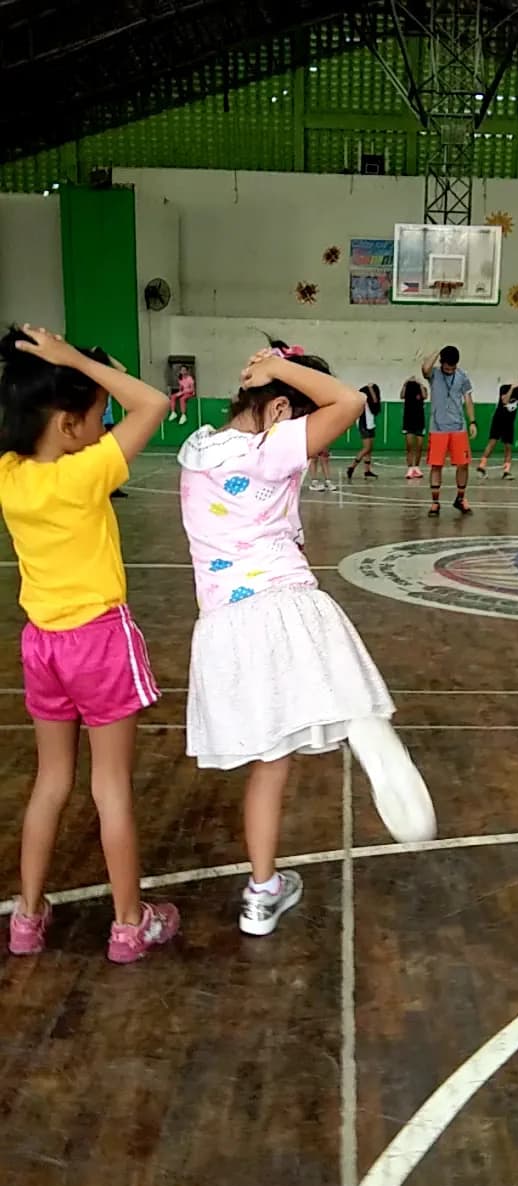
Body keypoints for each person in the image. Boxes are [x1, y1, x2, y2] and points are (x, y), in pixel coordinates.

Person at [178, 347, 436, 937]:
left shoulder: (197, 453)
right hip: (286, 604)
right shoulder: (268, 449)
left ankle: (261, 894)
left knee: (270, 764)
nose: (311, 442)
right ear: (276, 407)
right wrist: (282, 370)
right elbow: (349, 401)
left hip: (223, 626)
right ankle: (365, 726)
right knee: (348, 686)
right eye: (302, 425)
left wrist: (276, 375)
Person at [0, 325, 179, 963]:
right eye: (99, 419)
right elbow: (153, 403)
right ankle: (130, 924)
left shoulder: (10, 475)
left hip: (41, 645)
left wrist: (66, 367)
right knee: (111, 789)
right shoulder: (87, 472)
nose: (108, 429)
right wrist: (76, 356)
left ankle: (26, 917)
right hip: (99, 643)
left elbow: (120, 403)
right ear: (71, 425)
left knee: (51, 781)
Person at [422, 345, 476, 517]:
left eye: (453, 368)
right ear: (441, 362)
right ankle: (435, 503)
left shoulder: (462, 377)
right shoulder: (434, 375)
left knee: (463, 464)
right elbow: (424, 368)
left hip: (458, 428)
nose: (450, 370)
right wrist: (437, 350)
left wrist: (472, 421)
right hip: (438, 428)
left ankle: (460, 498)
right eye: (447, 367)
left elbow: (468, 399)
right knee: (436, 465)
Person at [477, 382, 518, 481]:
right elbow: (505, 401)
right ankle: (482, 466)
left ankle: (506, 472)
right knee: (492, 443)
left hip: (509, 423)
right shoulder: (504, 388)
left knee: (508, 447)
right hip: (498, 420)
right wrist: (512, 388)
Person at [101, 352, 127, 499]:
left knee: (112, 456)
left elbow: (122, 370)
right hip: (97, 424)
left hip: (108, 422)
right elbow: (122, 370)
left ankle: (113, 487)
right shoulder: (93, 378)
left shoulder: (107, 378)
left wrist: (108, 357)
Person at [346, 384, 381, 481]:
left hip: (370, 424)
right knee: (366, 448)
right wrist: (370, 388)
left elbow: (375, 401)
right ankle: (352, 467)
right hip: (364, 425)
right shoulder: (363, 399)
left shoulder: (369, 402)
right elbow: (374, 400)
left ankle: (367, 471)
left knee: (369, 449)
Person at [400, 375, 428, 479]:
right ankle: (410, 468)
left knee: (420, 446)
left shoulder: (422, 389)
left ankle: (416, 467)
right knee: (410, 446)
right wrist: (406, 383)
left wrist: (420, 383)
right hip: (408, 420)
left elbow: (425, 396)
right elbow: (401, 396)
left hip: (420, 421)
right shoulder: (407, 390)